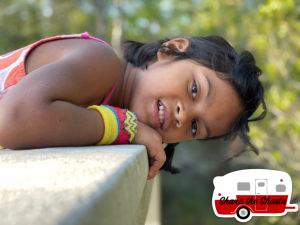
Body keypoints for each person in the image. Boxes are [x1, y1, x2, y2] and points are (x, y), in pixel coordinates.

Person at [0, 32, 267, 180]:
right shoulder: (102, 63)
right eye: (194, 89)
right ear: (171, 50)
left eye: (195, 127)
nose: (183, 115)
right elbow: (12, 120)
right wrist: (125, 127)